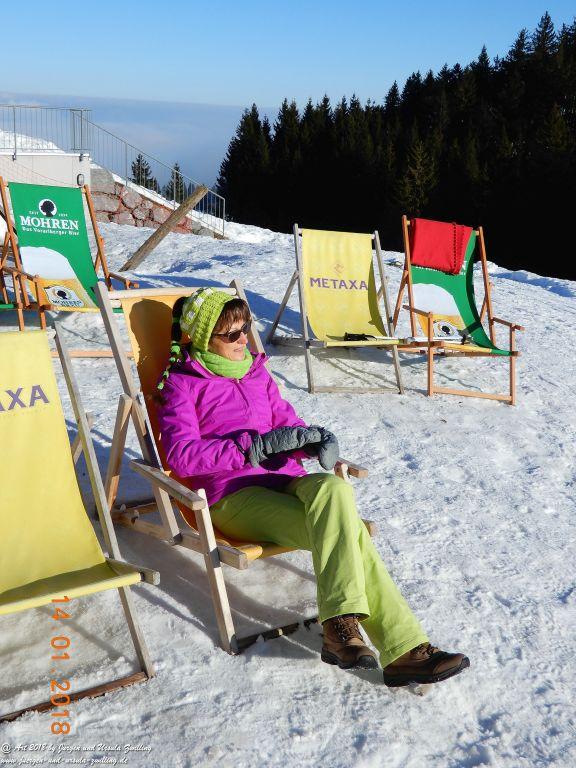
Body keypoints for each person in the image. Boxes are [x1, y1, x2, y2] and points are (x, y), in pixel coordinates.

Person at [156, 288, 470, 687]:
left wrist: (311, 439)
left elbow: (287, 423)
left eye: (245, 329)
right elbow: (183, 456)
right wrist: (250, 448)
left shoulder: (256, 372)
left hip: (286, 479)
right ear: (203, 338)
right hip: (232, 496)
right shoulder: (183, 383)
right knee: (350, 532)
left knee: (335, 491)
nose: (242, 340)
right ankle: (404, 649)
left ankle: (339, 626)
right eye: (230, 334)